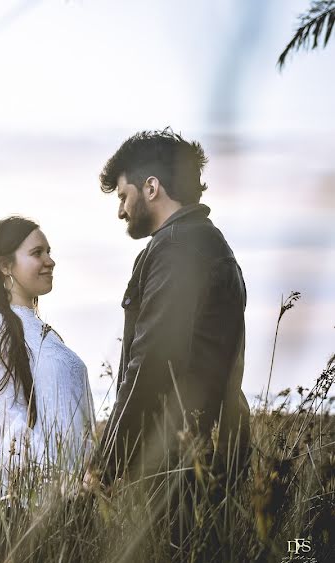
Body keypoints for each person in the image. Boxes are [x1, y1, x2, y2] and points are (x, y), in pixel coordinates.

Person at [94, 129, 252, 487]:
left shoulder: (176, 249)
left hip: (175, 467)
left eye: (123, 196)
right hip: (200, 460)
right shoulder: (206, 243)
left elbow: (150, 364)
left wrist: (104, 467)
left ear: (151, 188)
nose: (121, 210)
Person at [0, 216, 95, 509]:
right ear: (5, 265)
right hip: (18, 511)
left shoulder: (43, 332)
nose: (50, 261)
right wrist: (60, 485)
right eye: (37, 253)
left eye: (50, 252)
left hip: (69, 508)